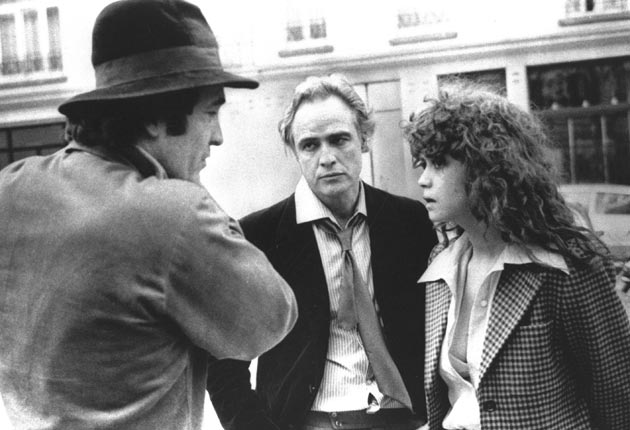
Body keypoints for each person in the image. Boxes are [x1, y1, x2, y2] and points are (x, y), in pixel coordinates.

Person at [0, 1, 298, 429]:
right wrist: (190, 185)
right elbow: (270, 320)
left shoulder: (11, 187)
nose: (217, 136)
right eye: (211, 112)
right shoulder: (173, 213)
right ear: (160, 115)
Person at [207, 74, 437, 430]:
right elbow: (222, 358)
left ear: (365, 139)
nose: (326, 157)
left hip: (402, 418)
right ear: (294, 151)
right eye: (310, 145)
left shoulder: (409, 220)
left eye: (339, 139)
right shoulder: (258, 235)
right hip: (306, 420)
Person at [404, 80, 630, 430]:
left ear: (484, 167)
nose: (423, 180)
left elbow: (618, 398)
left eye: (438, 164)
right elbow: (458, 400)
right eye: (422, 164)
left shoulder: (564, 267)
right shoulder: (441, 264)